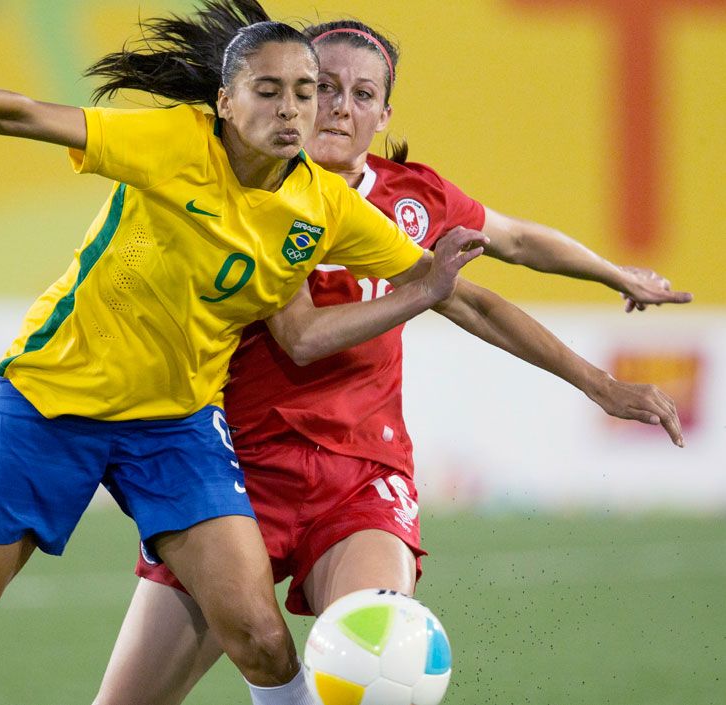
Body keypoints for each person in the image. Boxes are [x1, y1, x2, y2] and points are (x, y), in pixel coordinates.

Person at [0, 3, 494, 704]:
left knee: (261, 638)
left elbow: (444, 286)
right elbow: (23, 114)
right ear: (225, 102)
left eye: (304, 92)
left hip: (174, 425)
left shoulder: (324, 206)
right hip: (50, 401)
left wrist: (568, 365)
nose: (292, 109)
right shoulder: (172, 142)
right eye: (269, 90)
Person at [91, 17, 691, 705]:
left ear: (384, 114)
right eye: (327, 88)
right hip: (227, 473)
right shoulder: (242, 186)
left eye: (363, 93)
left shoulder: (414, 198)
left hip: (359, 476)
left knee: (380, 660)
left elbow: (517, 242)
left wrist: (613, 288)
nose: (342, 106)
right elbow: (300, 335)